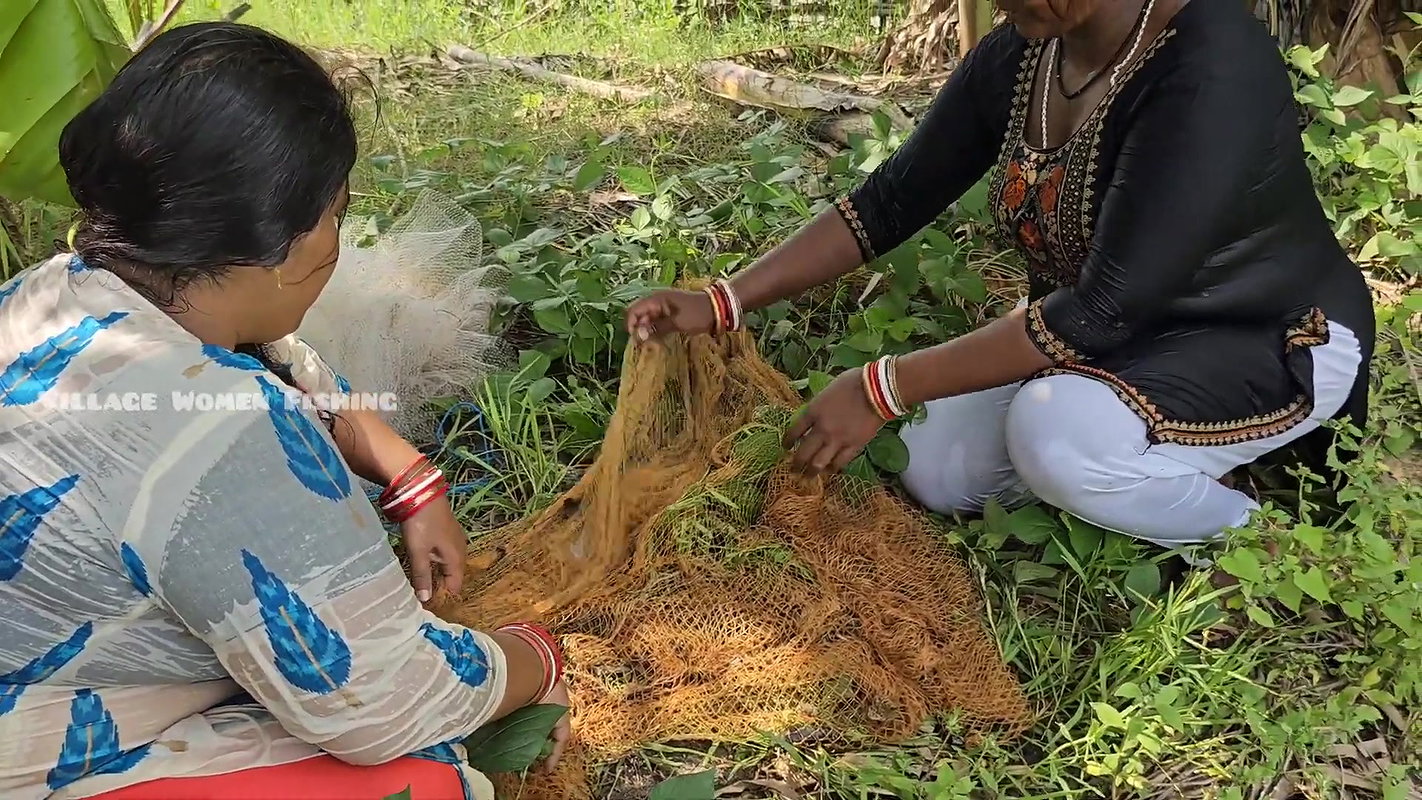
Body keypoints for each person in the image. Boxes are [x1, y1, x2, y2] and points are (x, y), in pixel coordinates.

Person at [0, 22, 567, 800]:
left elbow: (288, 366)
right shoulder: (225, 427)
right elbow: (379, 704)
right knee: (420, 779)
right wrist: (534, 656)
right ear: (279, 245)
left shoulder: (51, 292)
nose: (338, 238)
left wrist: (408, 473)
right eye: (335, 213)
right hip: (33, 751)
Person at [626, 0, 1375, 549]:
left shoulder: (1211, 66)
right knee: (934, 469)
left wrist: (881, 387)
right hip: (1107, 341)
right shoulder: (1027, 51)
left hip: (1260, 333)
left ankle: (1259, 539)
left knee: (1054, 437)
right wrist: (722, 301)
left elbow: (1102, 312)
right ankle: (1140, 470)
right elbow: (890, 201)